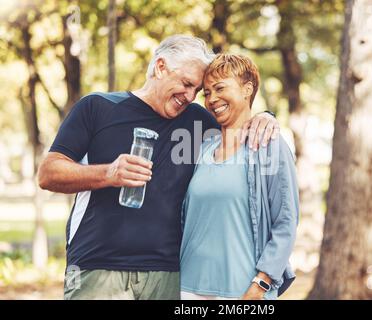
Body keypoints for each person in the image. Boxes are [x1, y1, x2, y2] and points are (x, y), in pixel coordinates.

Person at [38, 35, 280, 300]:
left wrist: (265, 117)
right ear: (160, 67)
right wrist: (108, 173)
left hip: (169, 275)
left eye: (196, 90)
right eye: (186, 83)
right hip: (99, 267)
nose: (190, 96)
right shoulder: (98, 107)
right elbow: (48, 173)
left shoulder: (198, 121)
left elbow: (238, 121)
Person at [180, 54, 299, 300]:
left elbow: (285, 222)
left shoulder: (269, 146)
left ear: (247, 89)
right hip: (189, 287)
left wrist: (261, 284)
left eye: (220, 88)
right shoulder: (202, 149)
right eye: (207, 93)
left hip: (243, 292)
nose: (212, 99)